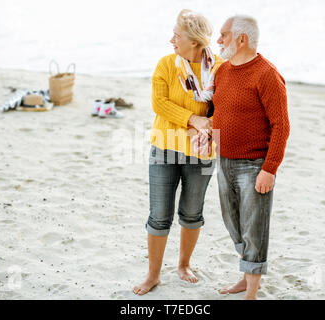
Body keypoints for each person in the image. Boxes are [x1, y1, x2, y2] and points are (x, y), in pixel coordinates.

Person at [194, 14, 290, 300]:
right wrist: (207, 132)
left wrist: (269, 169)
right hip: (224, 160)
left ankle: (251, 291)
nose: (218, 40)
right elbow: (217, 111)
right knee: (232, 221)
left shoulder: (267, 74)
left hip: (254, 164)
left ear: (242, 39)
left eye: (223, 35)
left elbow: (281, 125)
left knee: (254, 225)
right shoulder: (222, 72)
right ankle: (247, 275)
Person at [132, 9, 223, 296]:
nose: (172, 39)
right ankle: (153, 275)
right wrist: (192, 119)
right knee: (159, 215)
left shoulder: (220, 69)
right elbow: (159, 104)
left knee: (192, 213)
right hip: (164, 148)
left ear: (194, 42)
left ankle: (184, 265)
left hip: (203, 151)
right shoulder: (165, 65)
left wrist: (208, 124)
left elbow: (225, 107)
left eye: (177, 35)